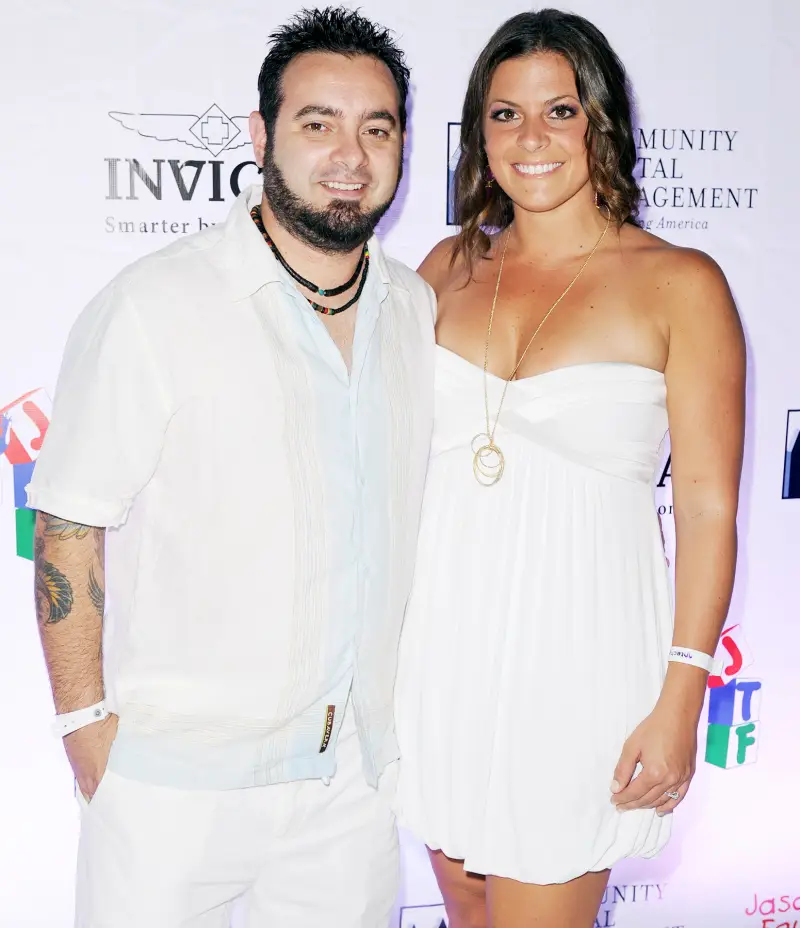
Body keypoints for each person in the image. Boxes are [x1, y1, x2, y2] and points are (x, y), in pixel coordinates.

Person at [29, 8, 435, 927]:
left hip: (351, 793)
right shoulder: (155, 305)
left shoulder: (415, 309)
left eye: (377, 128)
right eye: (317, 123)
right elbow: (67, 525)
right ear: (261, 136)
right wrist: (86, 732)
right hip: (174, 792)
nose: (350, 155)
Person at [394, 9, 745, 928]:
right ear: (478, 134)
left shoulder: (681, 284)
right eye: (504, 115)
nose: (531, 139)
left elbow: (708, 509)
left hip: (581, 671)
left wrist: (682, 696)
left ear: (601, 120)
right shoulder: (445, 267)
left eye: (559, 110)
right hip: (441, 658)